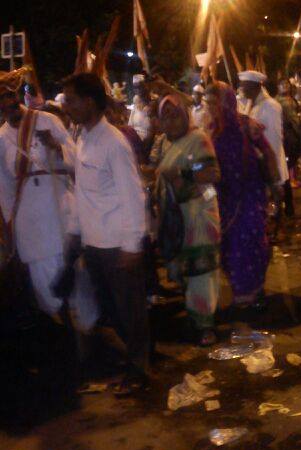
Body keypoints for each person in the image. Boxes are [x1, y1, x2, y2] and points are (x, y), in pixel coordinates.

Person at [62, 72, 149, 396]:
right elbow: (83, 193)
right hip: (94, 243)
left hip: (116, 244)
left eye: (71, 100)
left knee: (130, 312)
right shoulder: (82, 138)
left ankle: (140, 370)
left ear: (89, 102)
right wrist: (75, 235)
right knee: (111, 311)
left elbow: (132, 195)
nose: (66, 106)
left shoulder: (114, 142)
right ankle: (129, 363)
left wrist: (131, 245)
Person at [0, 76, 97, 331]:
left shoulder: (47, 120)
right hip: (30, 222)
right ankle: (66, 335)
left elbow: (76, 158)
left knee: (76, 276)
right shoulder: (0, 138)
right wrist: (9, 230)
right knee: (48, 286)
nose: (7, 102)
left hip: (59, 210)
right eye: (2, 99)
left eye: (10, 96)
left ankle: (89, 337)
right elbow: (5, 191)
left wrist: (56, 148)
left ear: (18, 96)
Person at [205, 81, 279, 310]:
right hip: (224, 197)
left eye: (215, 102)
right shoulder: (210, 129)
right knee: (229, 245)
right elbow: (203, 160)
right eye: (208, 103)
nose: (211, 107)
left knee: (250, 242)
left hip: (249, 194)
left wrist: (275, 185)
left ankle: (251, 291)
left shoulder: (247, 125)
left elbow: (267, 151)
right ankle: (242, 290)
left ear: (227, 102)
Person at [155, 94, 221, 346]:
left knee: (202, 272)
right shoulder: (164, 143)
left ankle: (206, 326)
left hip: (199, 215)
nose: (171, 122)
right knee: (184, 270)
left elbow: (212, 173)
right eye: (165, 117)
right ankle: (194, 318)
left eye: (175, 115)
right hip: (175, 217)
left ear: (186, 115)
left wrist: (182, 172)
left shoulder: (198, 139)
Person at [237, 70, 288, 219]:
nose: (241, 89)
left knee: (274, 205)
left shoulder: (271, 106)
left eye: (244, 86)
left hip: (268, 163)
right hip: (257, 163)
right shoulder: (251, 104)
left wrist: (272, 171)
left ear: (255, 87)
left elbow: (274, 140)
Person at [276, 78, 301, 186]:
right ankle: (290, 179)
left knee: (295, 152)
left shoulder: (291, 98)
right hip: (287, 130)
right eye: (282, 84)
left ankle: (294, 177)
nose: (285, 86)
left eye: (287, 84)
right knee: (289, 154)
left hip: (295, 129)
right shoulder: (277, 101)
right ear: (278, 87)